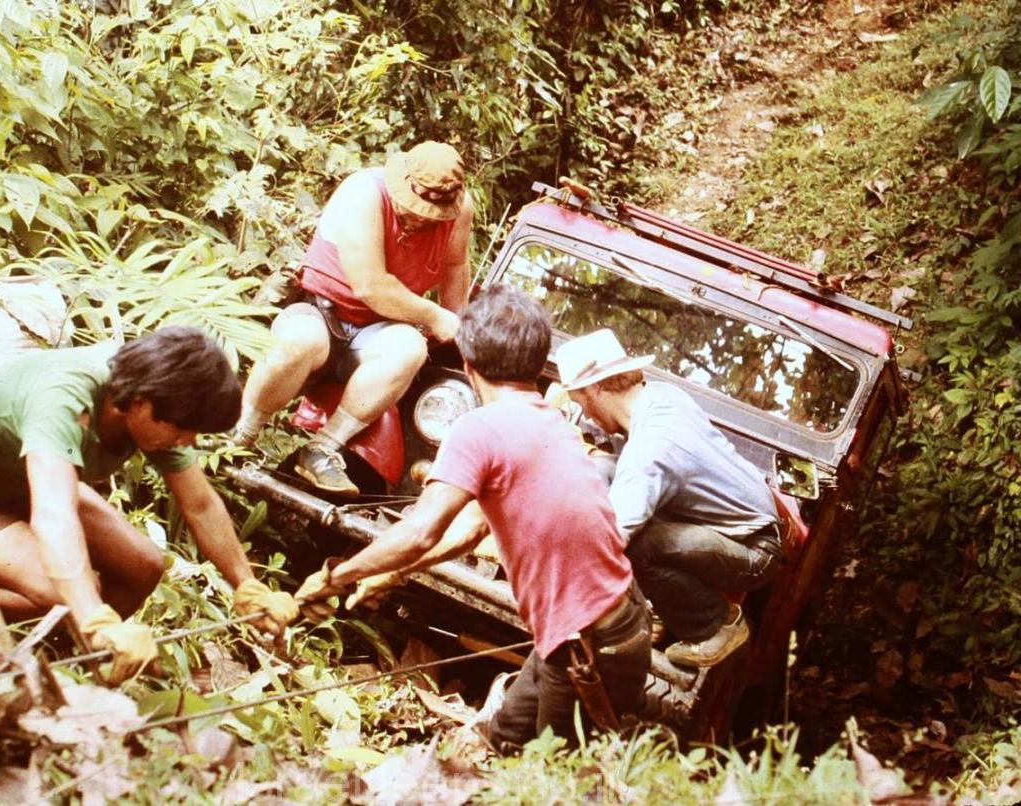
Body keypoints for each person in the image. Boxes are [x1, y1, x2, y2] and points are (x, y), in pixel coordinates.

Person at [294, 287, 651, 750]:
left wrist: (336, 576)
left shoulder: (479, 428)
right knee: (503, 738)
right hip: (604, 630)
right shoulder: (547, 419)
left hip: (589, 645)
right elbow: (472, 527)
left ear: (467, 363)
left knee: (549, 773)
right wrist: (395, 571)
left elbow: (422, 531)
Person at [0, 327, 298, 682]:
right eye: (183, 429)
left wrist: (247, 585)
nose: (188, 441)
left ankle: (69, 656)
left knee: (143, 567)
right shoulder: (66, 398)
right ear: (141, 403)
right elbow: (54, 514)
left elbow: (201, 505)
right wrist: (94, 616)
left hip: (22, 478)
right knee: (69, 590)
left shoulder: (154, 401)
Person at [232, 141, 474, 496]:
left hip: (379, 330)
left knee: (410, 349)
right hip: (322, 311)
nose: (421, 218)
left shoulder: (459, 211)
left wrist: (460, 333)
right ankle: (240, 434)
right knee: (298, 341)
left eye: (430, 214)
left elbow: (455, 268)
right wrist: (432, 314)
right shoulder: (365, 192)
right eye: (414, 208)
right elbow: (370, 285)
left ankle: (324, 448)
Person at [555, 329, 782, 668]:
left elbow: (613, 537)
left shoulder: (652, 449)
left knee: (638, 547)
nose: (586, 415)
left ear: (597, 388)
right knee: (600, 468)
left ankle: (716, 626)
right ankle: (662, 604)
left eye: (581, 402)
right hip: (728, 530)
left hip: (753, 551)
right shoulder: (661, 397)